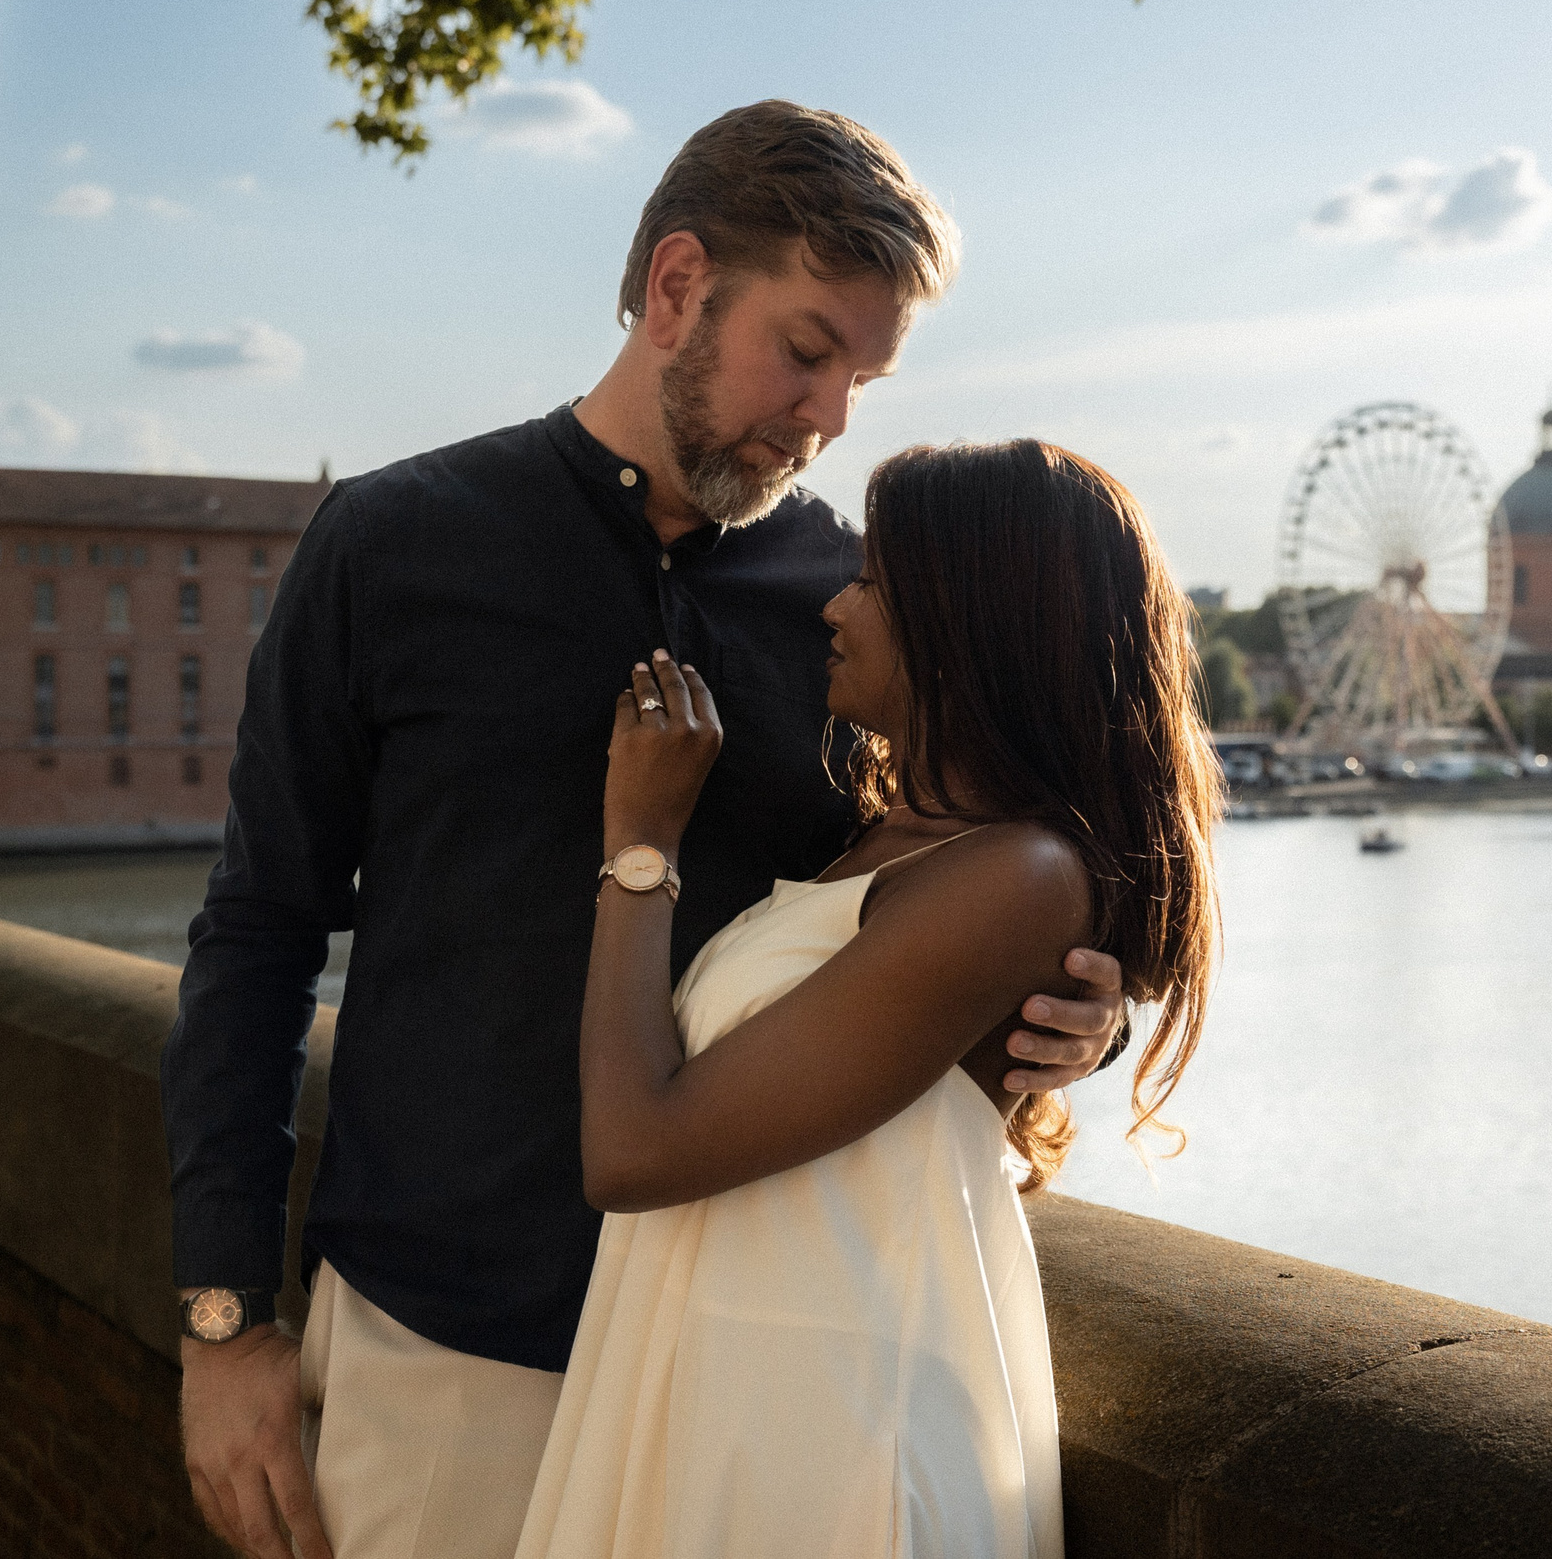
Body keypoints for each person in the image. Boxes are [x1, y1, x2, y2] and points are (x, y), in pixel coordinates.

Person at [162, 103, 1134, 1559]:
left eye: (862, 375)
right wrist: (226, 1314)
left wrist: (1082, 1014)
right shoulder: (392, 541)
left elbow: (960, 876)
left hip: (756, 1365)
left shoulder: (863, 602)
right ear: (676, 286)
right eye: (808, 351)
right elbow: (257, 932)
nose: (830, 416)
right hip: (458, 1347)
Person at [515, 439, 1220, 1558]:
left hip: (832, 1431)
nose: (835, 605)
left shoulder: (1015, 876)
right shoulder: (892, 846)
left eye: (876, 582)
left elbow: (632, 1150)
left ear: (969, 619)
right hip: (726, 1381)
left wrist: (640, 847)